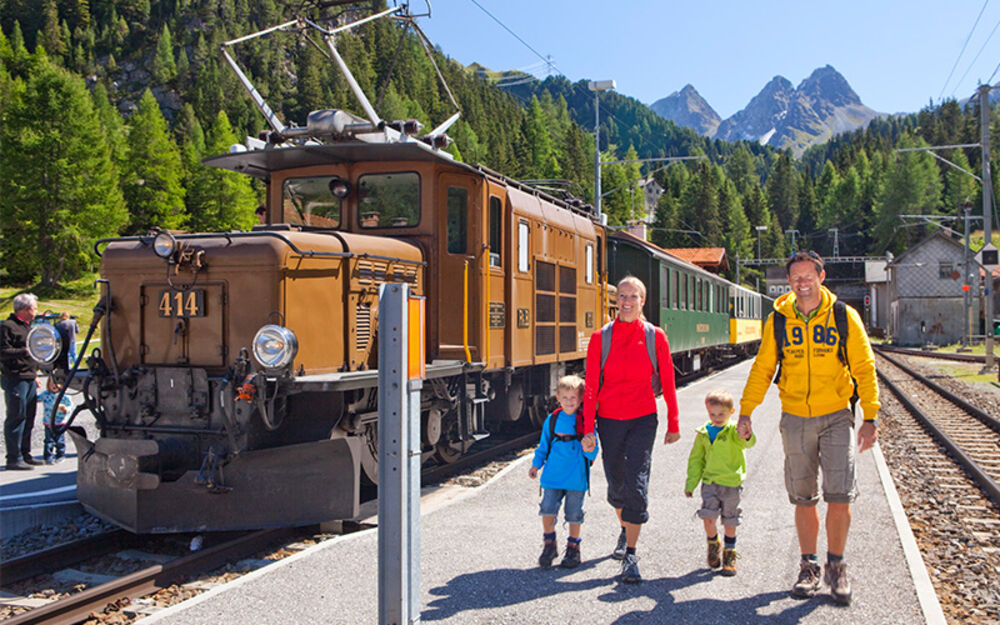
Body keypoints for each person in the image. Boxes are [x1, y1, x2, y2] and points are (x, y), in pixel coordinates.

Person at [737, 250, 879, 605]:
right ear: (789, 281)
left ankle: (836, 567)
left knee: (840, 494)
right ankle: (809, 566)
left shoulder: (844, 317)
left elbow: (864, 366)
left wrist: (871, 416)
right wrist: (746, 411)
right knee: (803, 498)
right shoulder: (779, 320)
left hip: (836, 417)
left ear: (821, 276)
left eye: (808, 276)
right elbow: (763, 367)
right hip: (795, 417)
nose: (802, 283)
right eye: (795, 277)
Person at [582, 275, 680, 584]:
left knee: (638, 483)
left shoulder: (655, 336)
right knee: (617, 483)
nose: (626, 301)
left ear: (642, 301)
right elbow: (590, 388)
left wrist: (674, 422)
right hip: (609, 420)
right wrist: (588, 429)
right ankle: (625, 529)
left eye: (633, 296)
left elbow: (668, 381)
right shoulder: (601, 337)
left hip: (642, 419)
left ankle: (632, 555)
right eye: (621, 296)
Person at [528, 374, 599, 569]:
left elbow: (593, 452)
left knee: (574, 514)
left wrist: (589, 446)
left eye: (573, 398)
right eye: (565, 398)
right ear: (558, 398)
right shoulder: (552, 420)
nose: (569, 402)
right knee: (547, 509)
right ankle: (549, 544)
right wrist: (536, 465)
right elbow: (543, 446)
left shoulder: (586, 421)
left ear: (581, 398)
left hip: (576, 477)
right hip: (552, 476)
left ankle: (573, 548)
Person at [685, 389, 755, 576]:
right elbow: (696, 459)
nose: (716, 418)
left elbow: (748, 443)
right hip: (710, 483)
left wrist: (746, 434)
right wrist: (691, 483)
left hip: (731, 483)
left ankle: (730, 554)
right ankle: (713, 543)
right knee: (708, 517)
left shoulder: (734, 431)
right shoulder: (703, 433)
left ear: (731, 413)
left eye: (721, 414)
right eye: (712, 414)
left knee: (730, 519)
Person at [2, 293, 41, 470]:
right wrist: (24, 351)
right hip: (15, 378)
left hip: (29, 377)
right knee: (16, 417)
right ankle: (13, 457)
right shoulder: (7, 327)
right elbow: (3, 352)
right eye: (34, 308)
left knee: (29, 417)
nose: (36, 311)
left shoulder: (28, 327)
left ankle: (25, 453)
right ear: (24, 310)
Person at [39, 376, 73, 464]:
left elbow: (70, 406)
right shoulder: (45, 395)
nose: (54, 385)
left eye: (56, 383)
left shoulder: (65, 396)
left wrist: (65, 409)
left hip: (60, 422)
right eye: (51, 383)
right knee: (48, 440)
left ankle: (60, 455)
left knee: (60, 441)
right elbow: (37, 398)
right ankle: (48, 456)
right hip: (48, 422)